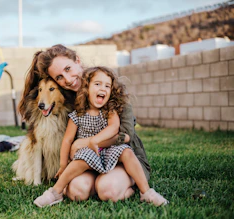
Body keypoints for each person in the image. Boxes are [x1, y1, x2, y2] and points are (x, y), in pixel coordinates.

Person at [18, 44, 169, 207]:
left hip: (120, 158)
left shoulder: (109, 92)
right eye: (59, 77)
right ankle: (59, 192)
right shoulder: (69, 102)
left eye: (68, 69)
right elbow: (65, 138)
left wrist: (85, 143)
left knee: (108, 190)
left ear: (77, 60)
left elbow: (124, 136)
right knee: (77, 192)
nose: (67, 79)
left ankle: (138, 190)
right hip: (88, 160)